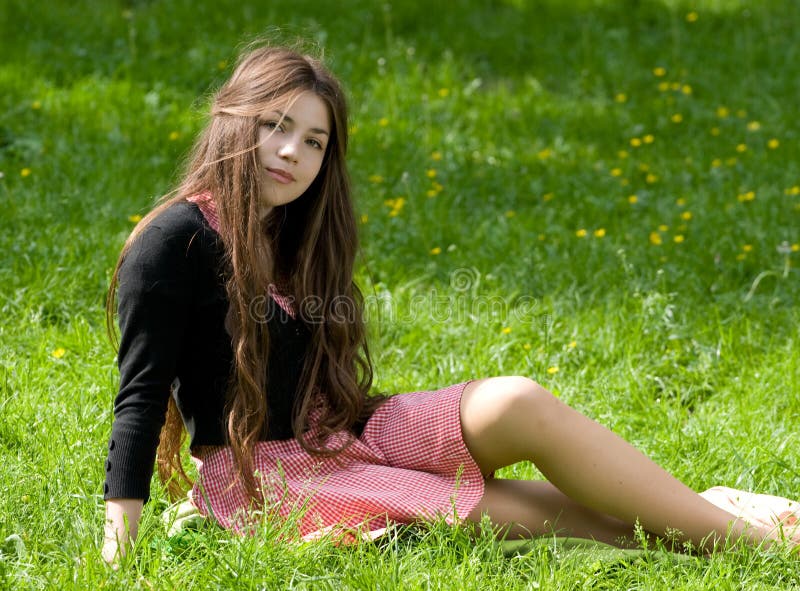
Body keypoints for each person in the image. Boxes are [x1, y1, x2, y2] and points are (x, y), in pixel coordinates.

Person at [101, 43, 799, 563]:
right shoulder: (175, 240)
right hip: (271, 479)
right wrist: (118, 551)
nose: (291, 152)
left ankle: (727, 526)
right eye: (275, 126)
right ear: (233, 121)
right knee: (546, 514)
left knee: (518, 400)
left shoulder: (295, 232)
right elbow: (140, 397)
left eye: (313, 141)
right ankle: (753, 541)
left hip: (344, 434)